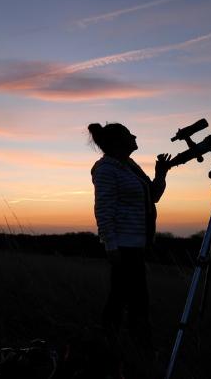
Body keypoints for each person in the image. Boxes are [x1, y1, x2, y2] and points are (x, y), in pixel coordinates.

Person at [88, 122, 171, 349]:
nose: (134, 136)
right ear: (117, 142)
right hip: (123, 245)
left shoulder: (130, 165)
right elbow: (104, 209)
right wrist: (111, 245)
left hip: (137, 243)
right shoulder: (106, 169)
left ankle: (115, 342)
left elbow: (152, 195)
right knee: (133, 299)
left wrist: (161, 174)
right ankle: (132, 346)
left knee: (125, 297)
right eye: (128, 134)